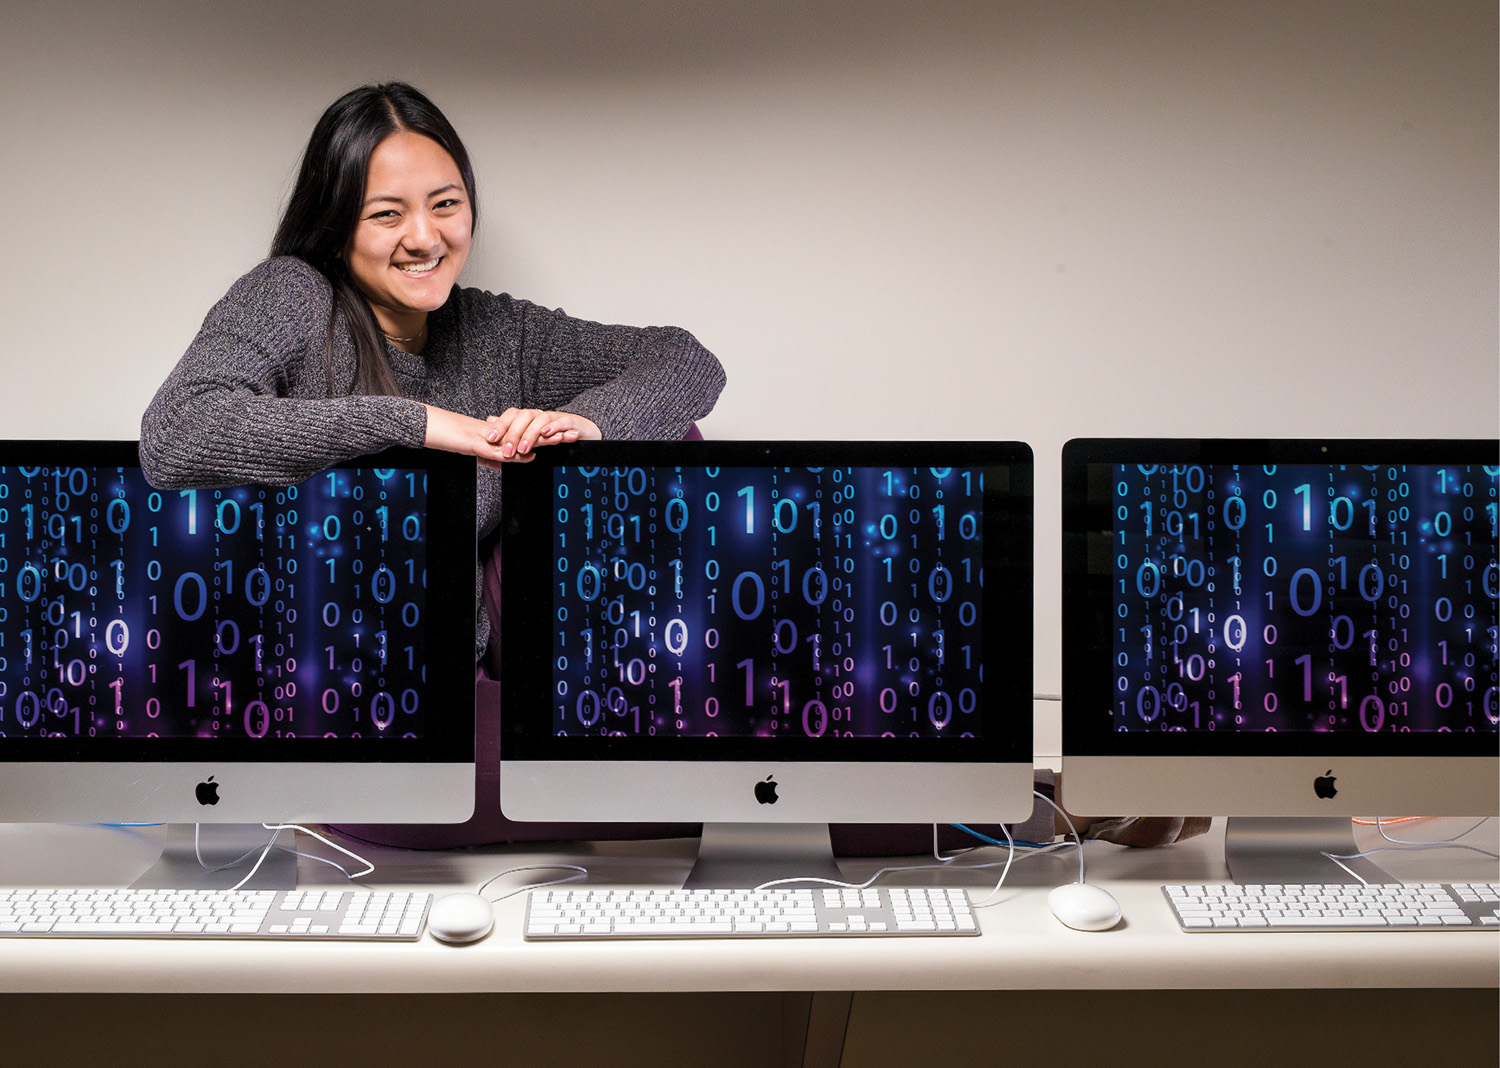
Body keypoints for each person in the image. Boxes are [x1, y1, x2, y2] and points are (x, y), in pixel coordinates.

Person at [140, 81, 726, 658]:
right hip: (306, 664)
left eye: (445, 204)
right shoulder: (294, 295)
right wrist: (418, 425)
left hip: (455, 667)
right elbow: (174, 435)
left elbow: (683, 359)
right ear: (336, 224)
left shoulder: (496, 332)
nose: (425, 238)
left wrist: (583, 426)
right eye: (386, 214)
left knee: (671, 435)